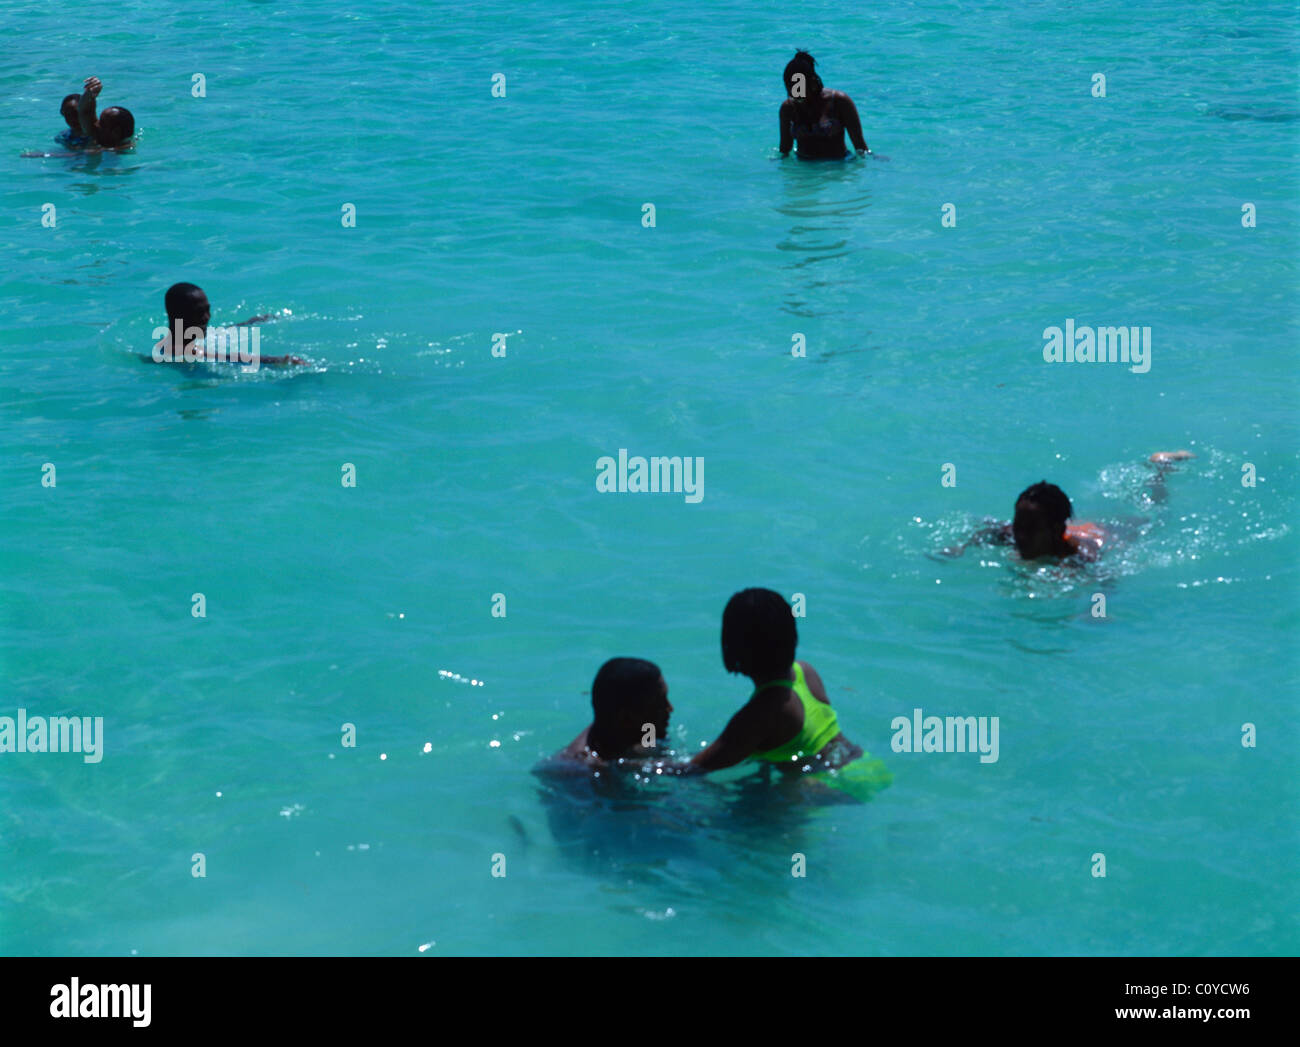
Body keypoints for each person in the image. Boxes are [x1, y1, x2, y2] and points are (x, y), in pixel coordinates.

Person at [687, 589, 862, 774]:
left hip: (829, 787)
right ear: (791, 636)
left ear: (734, 646)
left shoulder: (762, 712)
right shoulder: (806, 671)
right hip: (861, 765)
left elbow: (695, 768)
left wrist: (654, 766)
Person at [943, 455, 1194, 562]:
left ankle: (1161, 471)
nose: (1020, 535)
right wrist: (959, 548)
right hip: (1081, 525)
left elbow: (1106, 581)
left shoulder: (1079, 556)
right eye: (1018, 525)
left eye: (1030, 529)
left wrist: (1095, 612)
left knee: (1156, 513)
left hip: (1116, 530)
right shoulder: (1015, 532)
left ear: (1056, 530)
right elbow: (987, 531)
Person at [550, 657, 674, 768]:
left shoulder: (637, 728)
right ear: (627, 718)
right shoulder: (585, 770)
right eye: (660, 705)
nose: (670, 709)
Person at [150, 282, 307, 367]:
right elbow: (228, 357)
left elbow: (216, 334)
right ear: (179, 316)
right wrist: (277, 361)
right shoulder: (177, 350)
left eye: (208, 310)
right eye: (199, 313)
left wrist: (248, 323)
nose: (207, 317)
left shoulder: (180, 338)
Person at [778, 51, 872, 159]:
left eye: (799, 91)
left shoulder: (840, 102)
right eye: (791, 91)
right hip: (803, 170)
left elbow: (860, 147)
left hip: (838, 167)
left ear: (812, 83)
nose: (795, 96)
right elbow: (784, 151)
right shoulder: (788, 108)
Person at [74, 77, 135, 149]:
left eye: (101, 123)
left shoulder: (121, 149)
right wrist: (90, 93)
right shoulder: (98, 137)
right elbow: (85, 112)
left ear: (116, 132)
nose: (96, 123)